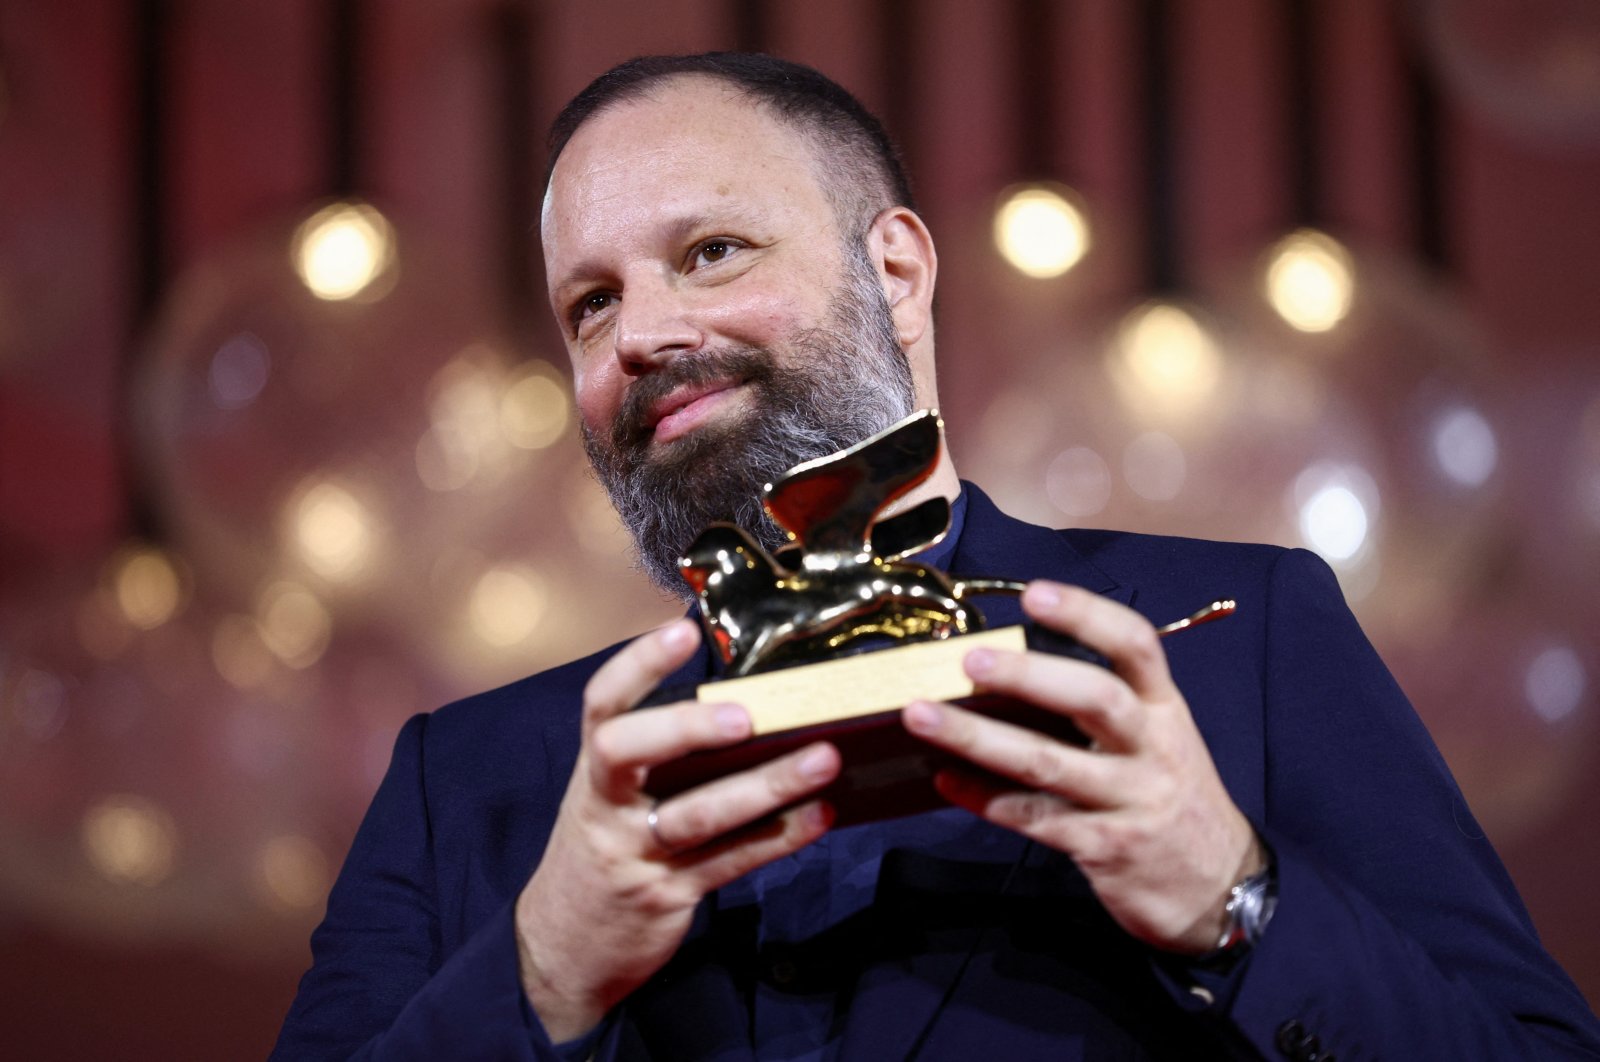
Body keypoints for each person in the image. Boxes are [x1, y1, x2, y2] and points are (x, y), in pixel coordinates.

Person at [272, 53, 1600, 1060]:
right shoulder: (469, 782)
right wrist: (542, 969)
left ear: (897, 272)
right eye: (590, 301)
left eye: (711, 251)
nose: (640, 334)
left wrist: (1238, 901)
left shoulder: (1243, 636)